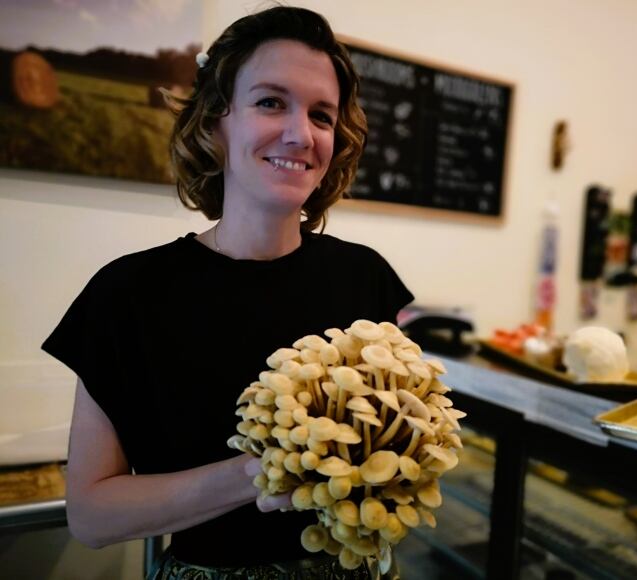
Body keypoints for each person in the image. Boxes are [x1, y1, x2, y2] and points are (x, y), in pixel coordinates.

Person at [42, 6, 413, 579]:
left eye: (321, 114)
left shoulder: (367, 279)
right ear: (216, 121)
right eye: (271, 102)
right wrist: (267, 468)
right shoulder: (128, 294)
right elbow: (91, 515)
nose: (300, 133)